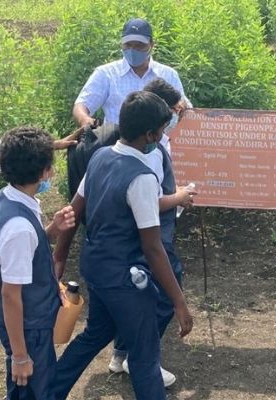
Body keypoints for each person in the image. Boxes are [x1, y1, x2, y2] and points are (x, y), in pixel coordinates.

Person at [52, 91, 193, 400]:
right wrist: (179, 302)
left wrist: (59, 257)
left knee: (95, 334)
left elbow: (73, 210)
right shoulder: (142, 178)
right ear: (150, 134)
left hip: (96, 267)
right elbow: (152, 248)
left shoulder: (101, 157)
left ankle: (48, 392)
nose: (162, 137)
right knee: (144, 354)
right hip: (125, 278)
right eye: (162, 131)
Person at [0, 127, 76, 400]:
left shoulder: (9, 196)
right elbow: (11, 295)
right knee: (34, 389)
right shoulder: (19, 228)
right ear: (44, 172)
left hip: (29, 320)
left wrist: (51, 230)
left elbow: (27, 250)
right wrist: (20, 356)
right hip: (28, 326)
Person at [72, 18, 188, 128]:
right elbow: (82, 105)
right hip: (116, 141)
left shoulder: (168, 75)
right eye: (128, 45)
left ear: (152, 45)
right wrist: (85, 120)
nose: (132, 50)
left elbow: (184, 108)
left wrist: (182, 106)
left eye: (139, 46)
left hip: (160, 141)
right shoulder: (106, 74)